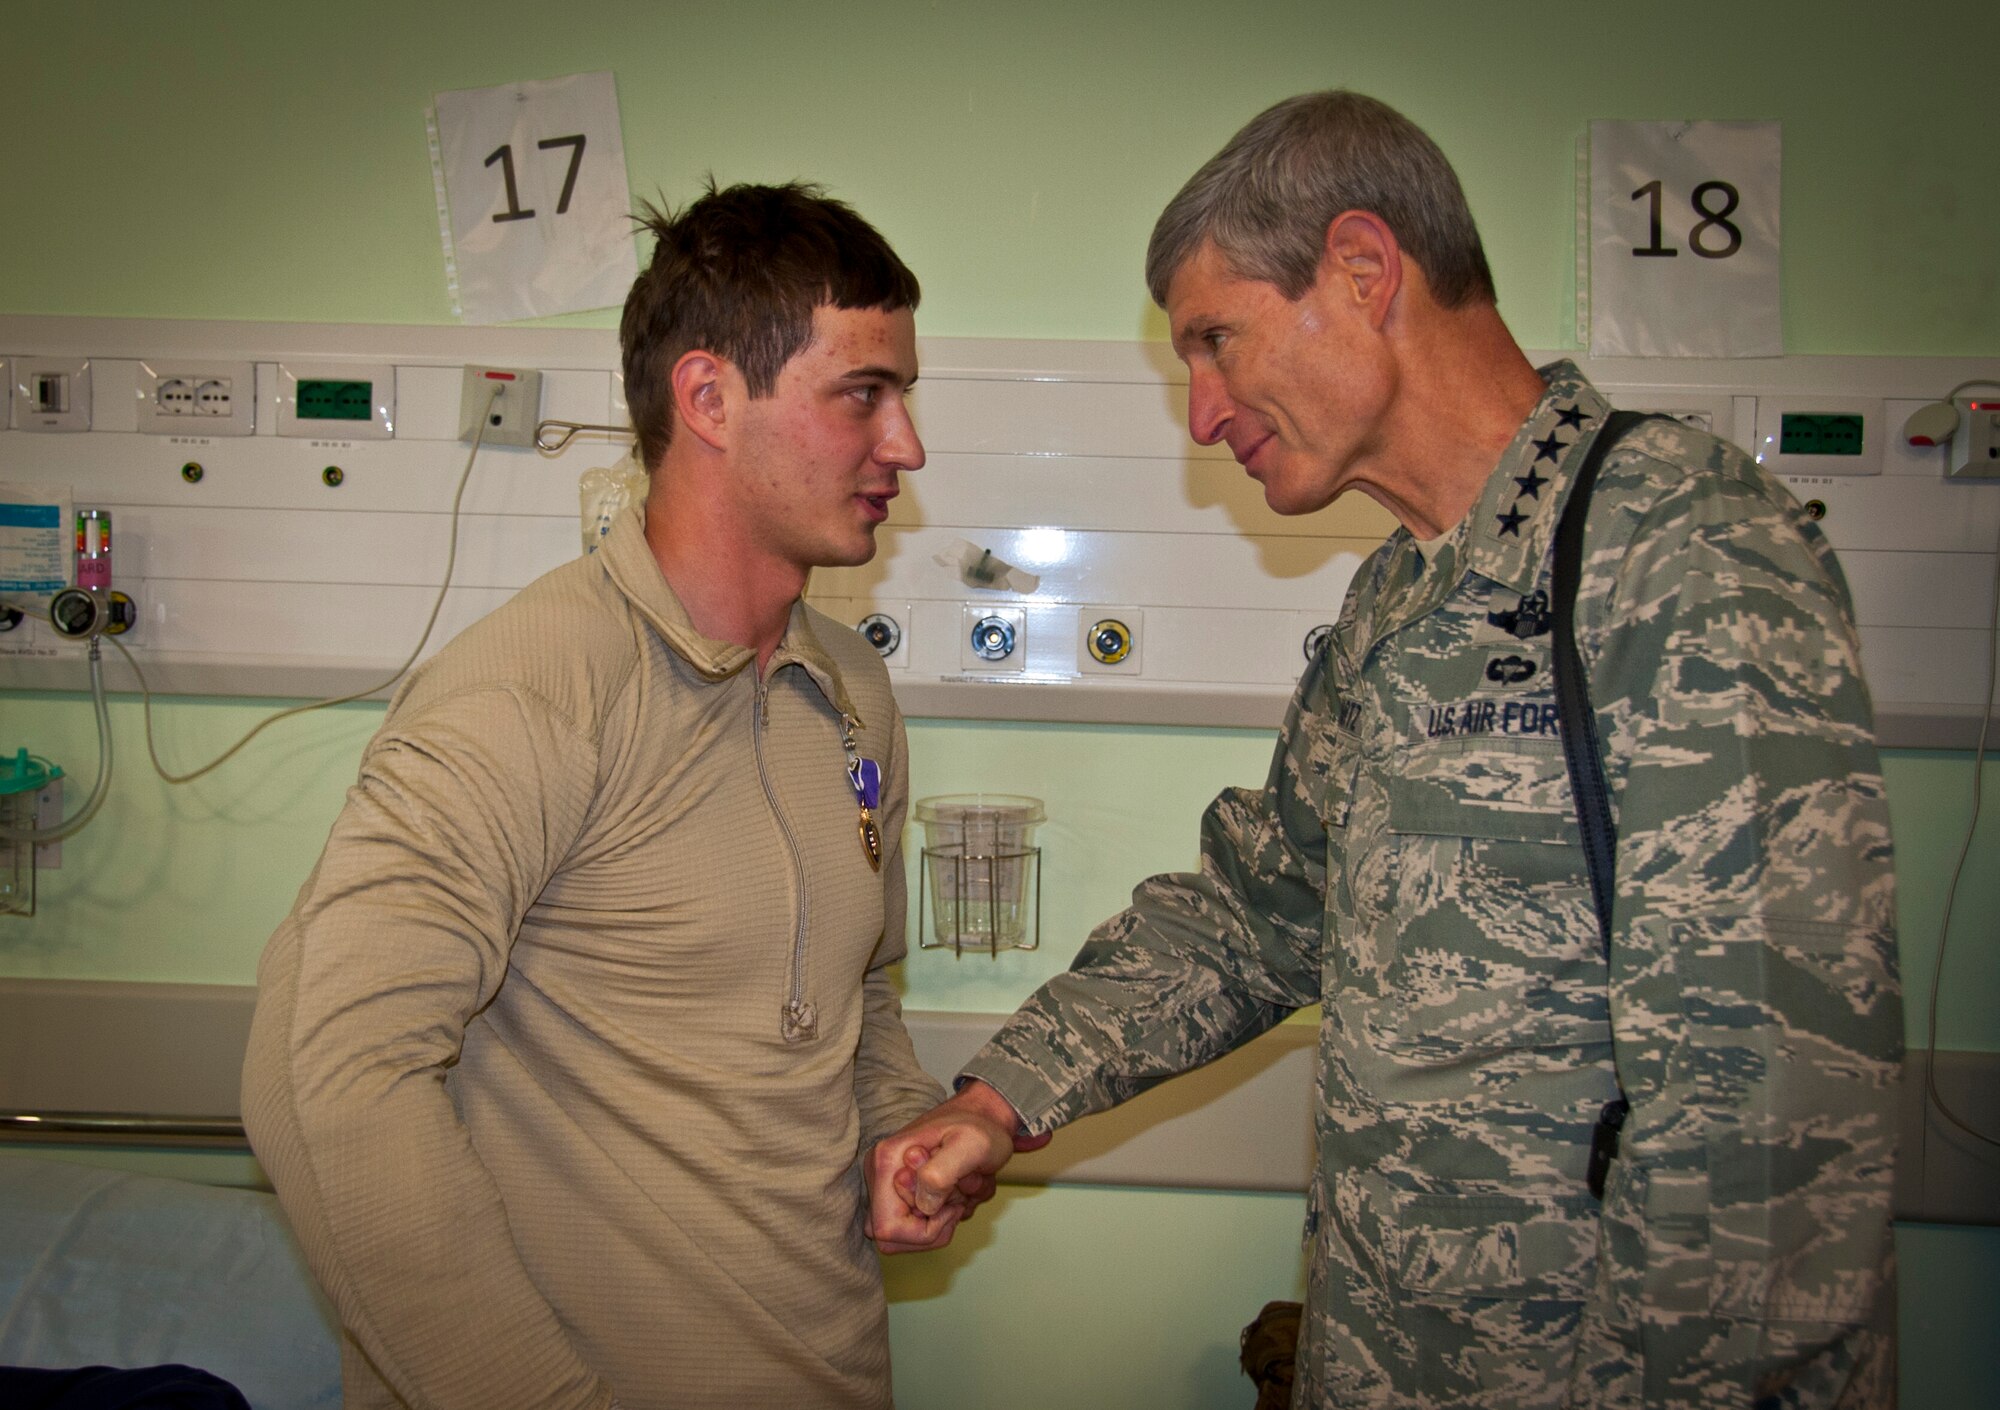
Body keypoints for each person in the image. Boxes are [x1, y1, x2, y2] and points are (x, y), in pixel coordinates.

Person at [872, 92, 1902, 1408]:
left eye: (1215, 340)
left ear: (1362, 270)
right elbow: (1259, 909)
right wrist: (1000, 1099)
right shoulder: (1398, 608)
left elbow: (1765, 1136)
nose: (1202, 412)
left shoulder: (1675, 552)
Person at [243, 181, 972, 1410]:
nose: (904, 444)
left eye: (902, 396)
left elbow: (850, 992)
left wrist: (895, 1128)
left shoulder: (849, 693)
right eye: (863, 393)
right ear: (707, 400)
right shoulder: (527, 697)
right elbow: (325, 1077)